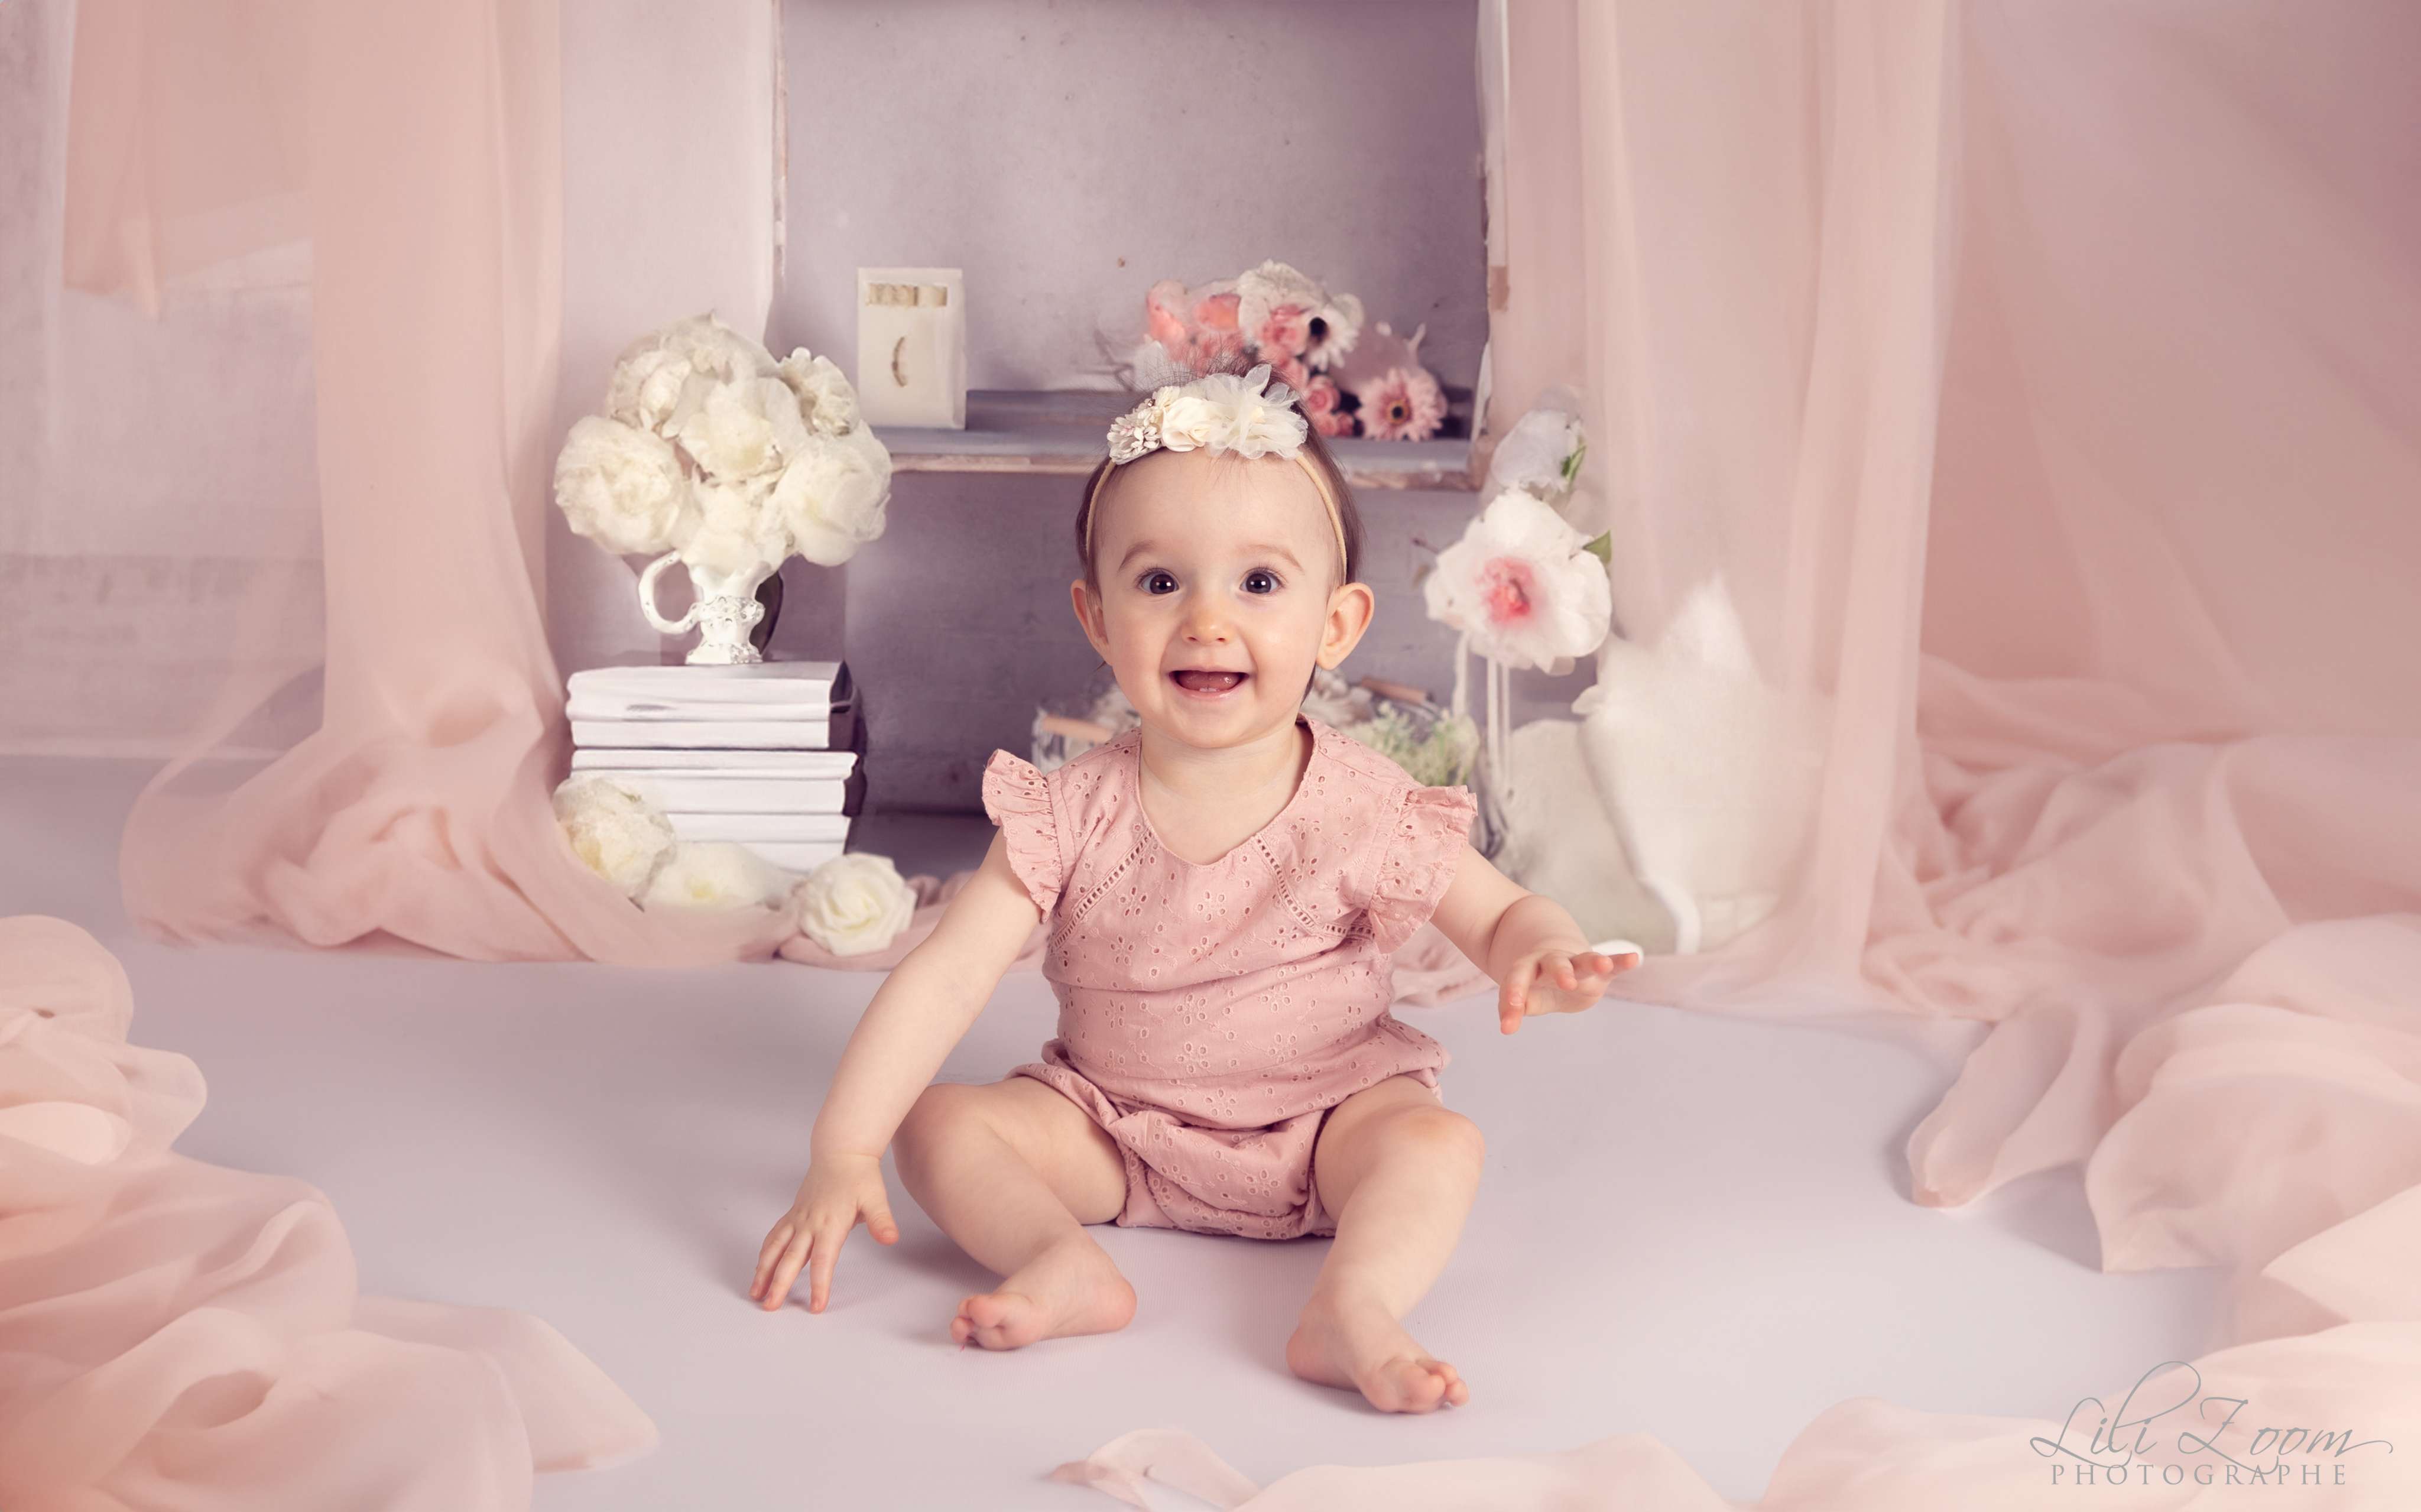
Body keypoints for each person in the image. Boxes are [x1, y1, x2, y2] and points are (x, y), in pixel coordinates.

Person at [751, 359, 1638, 1413]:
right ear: (1096, 615)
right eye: (1161, 581)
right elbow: (946, 977)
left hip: (1326, 1124)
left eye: (1260, 584)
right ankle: (1064, 1260)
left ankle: (1350, 1304)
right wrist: (844, 1145)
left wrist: (1542, 946)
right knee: (940, 1125)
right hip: (1115, 1130)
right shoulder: (1069, 810)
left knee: (1437, 1144)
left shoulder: (1363, 800)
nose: (1208, 619)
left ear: (1338, 623)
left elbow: (1496, 911)